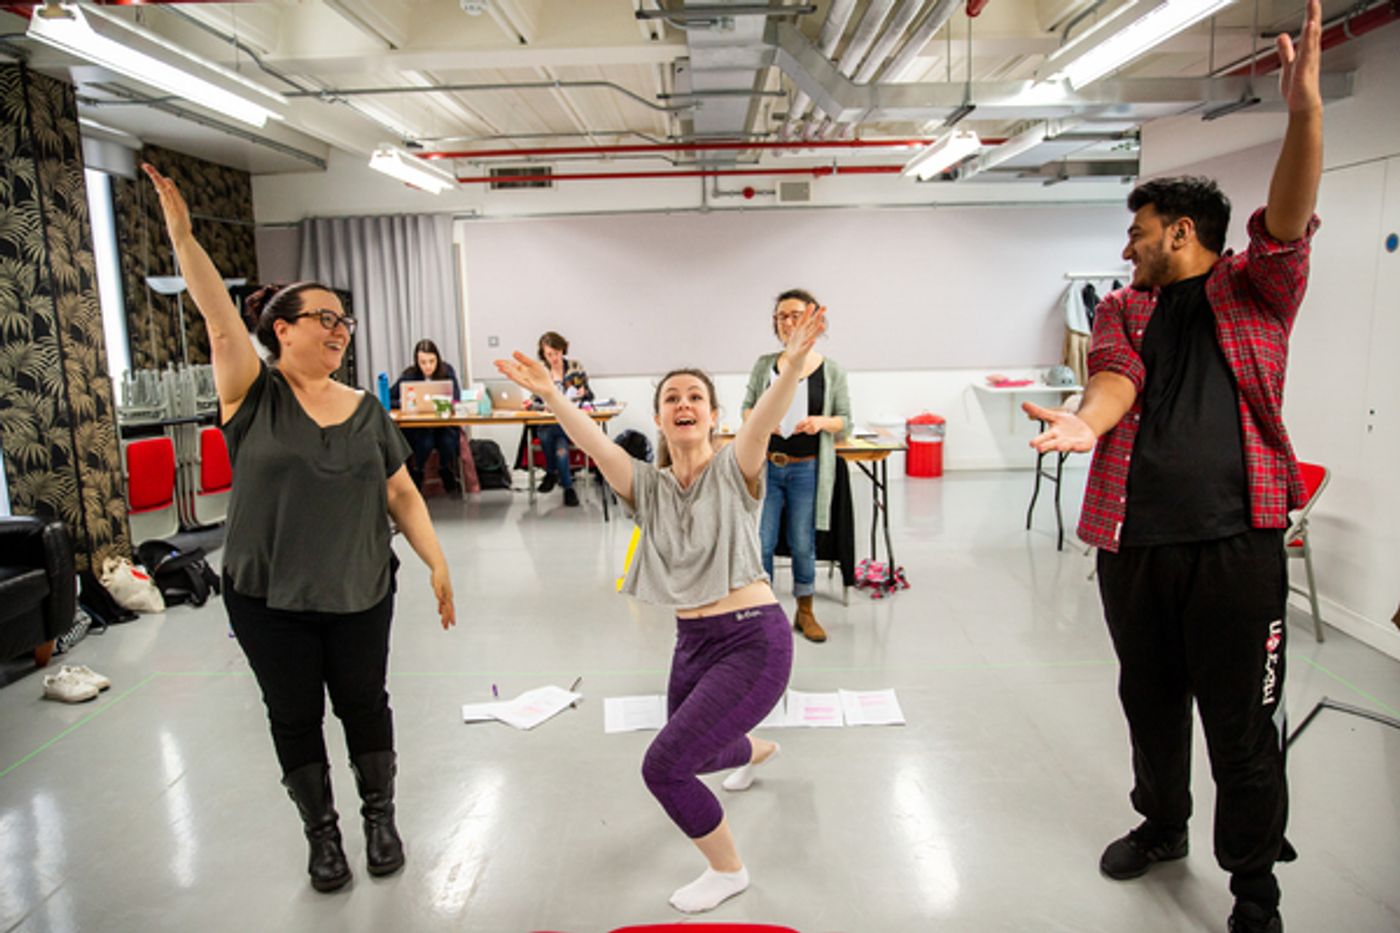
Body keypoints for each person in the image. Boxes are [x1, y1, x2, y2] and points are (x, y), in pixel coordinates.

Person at [1023, 6, 1322, 932]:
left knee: (1240, 726)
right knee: (1150, 702)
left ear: (1184, 231)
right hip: (1134, 541)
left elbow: (1285, 216)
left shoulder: (1256, 289)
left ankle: (1254, 886)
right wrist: (1083, 424)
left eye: (1139, 231)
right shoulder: (1124, 309)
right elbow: (1116, 381)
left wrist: (1305, 114)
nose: (1127, 246)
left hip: (1239, 547)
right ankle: (1162, 824)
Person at [143, 164, 457, 894]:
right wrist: (183, 234)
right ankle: (323, 835)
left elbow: (403, 492)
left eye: (346, 321)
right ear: (281, 330)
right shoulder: (253, 396)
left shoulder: (367, 409)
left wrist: (437, 561)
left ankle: (380, 816)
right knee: (293, 714)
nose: (340, 330)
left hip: (358, 590)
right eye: (326, 319)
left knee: (363, 703)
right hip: (268, 597)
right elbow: (218, 312)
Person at [494, 305, 827, 913]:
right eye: (671, 397)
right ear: (658, 417)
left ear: (712, 415)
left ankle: (729, 871)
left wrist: (793, 367)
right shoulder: (645, 485)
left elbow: (768, 416)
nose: (683, 403)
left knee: (665, 767)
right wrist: (550, 394)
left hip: (754, 641)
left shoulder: (736, 467)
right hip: (693, 642)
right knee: (696, 752)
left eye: (695, 396)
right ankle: (758, 749)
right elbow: (591, 440)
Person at [742, 289, 850, 643]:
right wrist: (760, 420)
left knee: (803, 542)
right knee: (764, 541)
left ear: (813, 320)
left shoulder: (830, 370)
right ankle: (766, 615)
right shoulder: (764, 365)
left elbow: (845, 421)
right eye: (781, 316)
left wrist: (821, 422)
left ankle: (805, 611)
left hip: (807, 468)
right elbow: (745, 408)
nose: (788, 322)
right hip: (769, 467)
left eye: (795, 315)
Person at [528, 331, 594, 507]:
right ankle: (568, 489)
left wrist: (583, 393)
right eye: (549, 354)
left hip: (570, 421)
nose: (554, 358)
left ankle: (551, 473)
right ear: (543, 354)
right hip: (550, 422)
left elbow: (589, 396)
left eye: (556, 353)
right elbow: (535, 399)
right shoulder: (541, 371)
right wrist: (537, 404)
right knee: (560, 448)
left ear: (563, 350)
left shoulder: (574, 366)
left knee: (551, 434)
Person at [392, 338, 463, 494]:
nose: (428, 366)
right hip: (420, 426)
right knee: (425, 441)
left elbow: (456, 397)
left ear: (438, 359)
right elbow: (390, 398)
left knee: (448, 440)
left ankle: (445, 468)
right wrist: (404, 402)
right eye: (423, 362)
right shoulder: (409, 375)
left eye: (432, 361)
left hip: (443, 424)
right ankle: (417, 472)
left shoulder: (447, 371)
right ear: (417, 362)